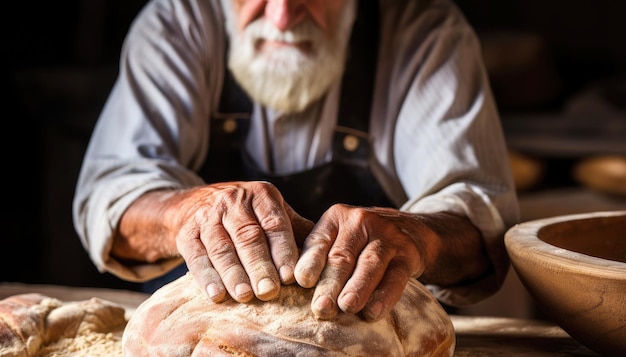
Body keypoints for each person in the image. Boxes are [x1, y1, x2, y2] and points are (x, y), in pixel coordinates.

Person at [73, 0, 519, 322]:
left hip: (374, 353)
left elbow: (484, 231)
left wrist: (420, 238)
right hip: (199, 348)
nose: (282, 16)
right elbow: (112, 197)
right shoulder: (179, 20)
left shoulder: (424, 31)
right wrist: (185, 213)